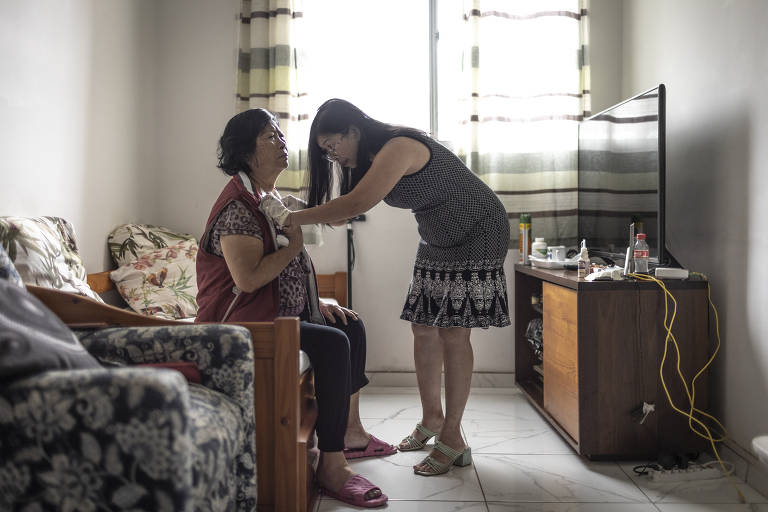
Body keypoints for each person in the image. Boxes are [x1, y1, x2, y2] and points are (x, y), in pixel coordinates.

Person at [274, 98, 511, 477]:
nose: (333, 157)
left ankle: (453, 437)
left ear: (354, 130)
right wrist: (297, 208)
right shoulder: (367, 161)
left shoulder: (398, 147)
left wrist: (292, 216)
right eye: (325, 153)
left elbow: (354, 204)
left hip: (478, 229)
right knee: (422, 327)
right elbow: (345, 212)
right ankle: (432, 418)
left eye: (333, 146)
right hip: (437, 237)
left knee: (453, 332)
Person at [195, 108, 394, 508]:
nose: (283, 143)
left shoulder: (263, 198)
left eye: (282, 136)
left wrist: (312, 300)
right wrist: (298, 246)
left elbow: (276, 271)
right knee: (334, 343)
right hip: (237, 329)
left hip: (272, 315)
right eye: (271, 137)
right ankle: (333, 468)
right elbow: (248, 279)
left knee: (350, 326)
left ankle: (350, 434)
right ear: (246, 150)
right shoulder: (238, 208)